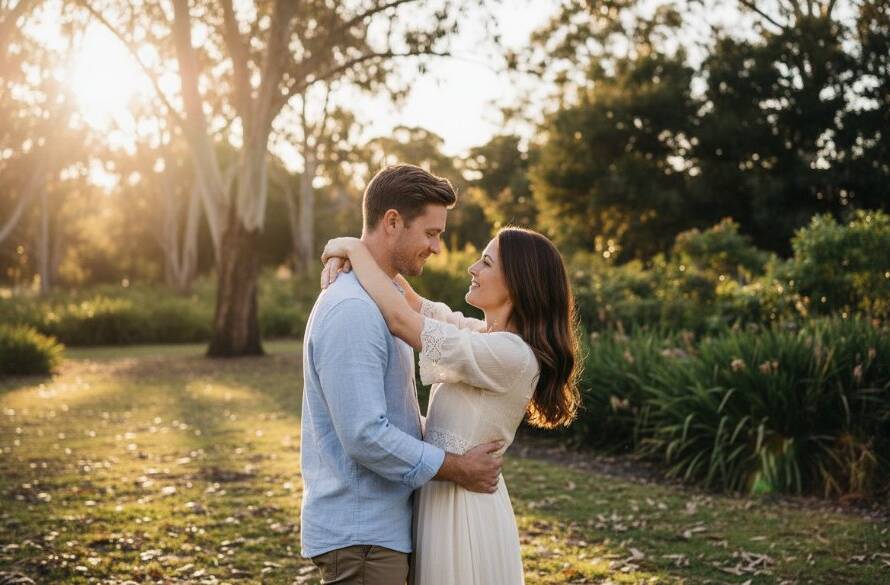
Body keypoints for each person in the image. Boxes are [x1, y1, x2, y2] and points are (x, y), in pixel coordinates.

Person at [321, 225, 581, 585]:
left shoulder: (511, 355)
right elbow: (409, 301)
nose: (472, 268)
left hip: (463, 508)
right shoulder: (481, 336)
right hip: (443, 494)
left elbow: (401, 319)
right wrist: (349, 247)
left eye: (486, 263)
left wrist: (350, 246)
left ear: (518, 284)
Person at [300, 164, 504, 585]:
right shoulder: (354, 309)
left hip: (381, 532)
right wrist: (455, 467)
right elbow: (365, 434)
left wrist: (349, 248)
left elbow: (395, 413)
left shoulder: (386, 298)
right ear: (392, 221)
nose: (437, 247)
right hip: (361, 538)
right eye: (431, 233)